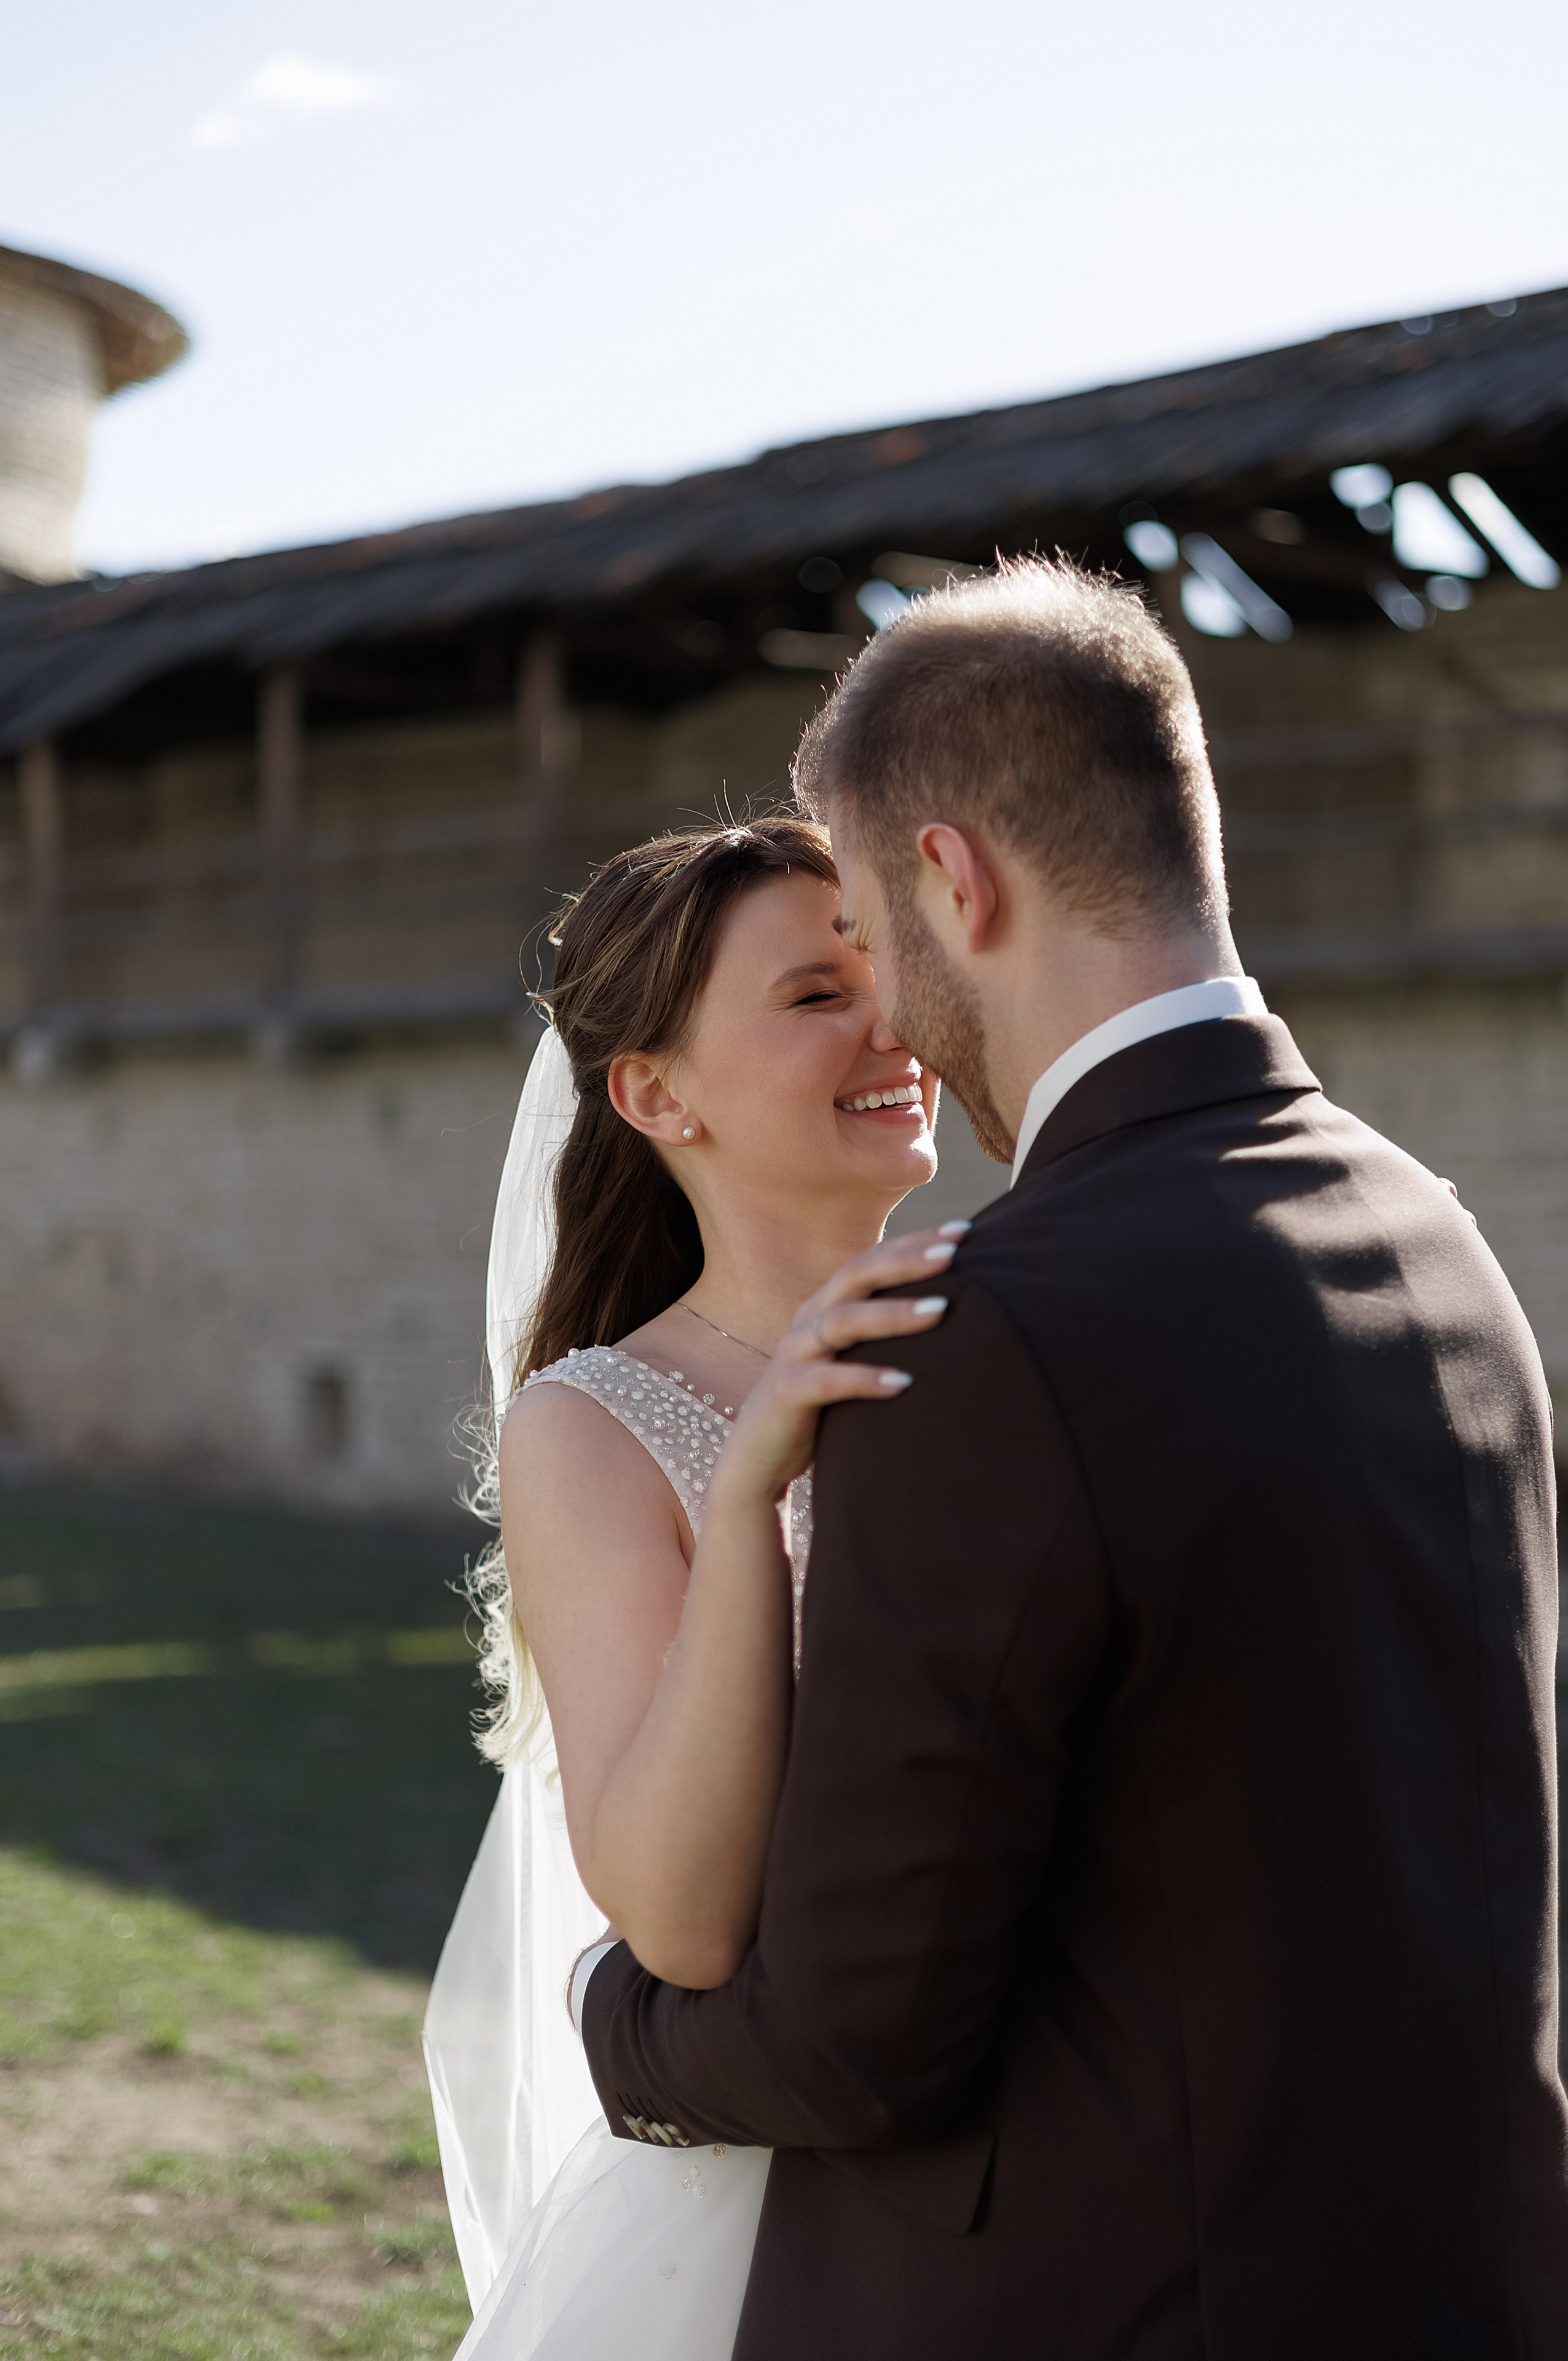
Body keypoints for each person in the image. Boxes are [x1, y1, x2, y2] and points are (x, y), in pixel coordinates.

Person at [577, 558, 1568, 2357]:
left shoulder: (981, 1336)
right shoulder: (1439, 1238)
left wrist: (605, 2018)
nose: (882, 1006)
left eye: (868, 928)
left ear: (953, 879)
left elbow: (854, 2034)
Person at [424, 814, 963, 2357]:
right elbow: (673, 1917)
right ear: (659, 1094)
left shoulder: (1001, 1333)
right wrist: (745, 1503)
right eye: (813, 995)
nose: (891, 1023)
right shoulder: (590, 1426)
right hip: (772, 2185)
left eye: (885, 971)